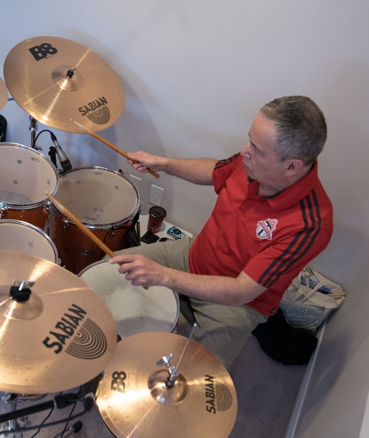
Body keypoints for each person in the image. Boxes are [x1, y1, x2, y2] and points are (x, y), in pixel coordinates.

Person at [108, 95, 333, 367]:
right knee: (108, 272)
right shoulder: (250, 162)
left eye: (257, 148)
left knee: (197, 379)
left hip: (237, 303)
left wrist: (163, 277)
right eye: (250, 139)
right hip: (193, 255)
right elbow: (216, 171)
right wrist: (163, 163)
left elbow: (241, 291)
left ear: (291, 166)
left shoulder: (310, 225)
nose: (245, 151)